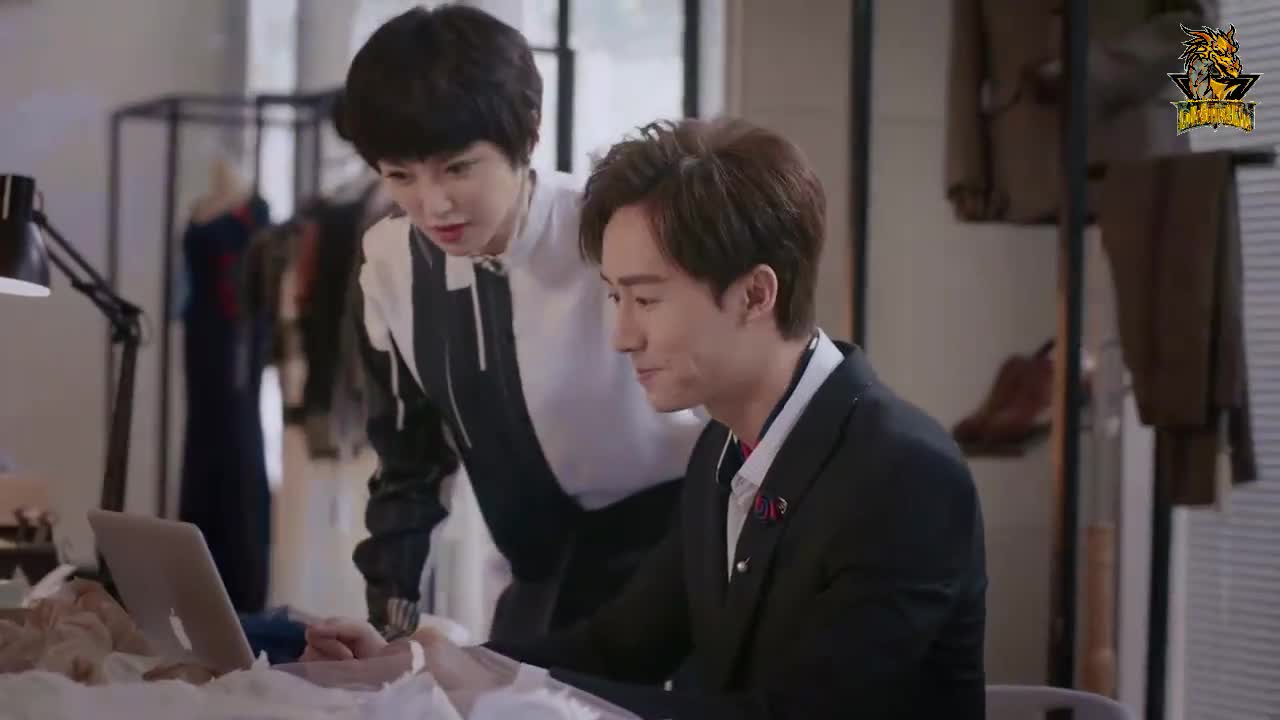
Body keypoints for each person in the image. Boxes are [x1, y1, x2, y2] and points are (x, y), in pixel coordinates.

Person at [305, 117, 989, 719]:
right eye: (613, 297)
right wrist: (423, 668)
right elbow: (615, 648)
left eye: (647, 299)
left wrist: (489, 688)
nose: (622, 336)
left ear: (756, 294)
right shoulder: (723, 448)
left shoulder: (902, 474)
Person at [335, 5, 707, 644]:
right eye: (400, 176)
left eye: (458, 167)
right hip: (537, 575)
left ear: (529, 135)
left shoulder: (612, 232)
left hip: (672, 555)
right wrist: (387, 623)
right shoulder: (391, 267)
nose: (433, 204)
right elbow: (409, 465)